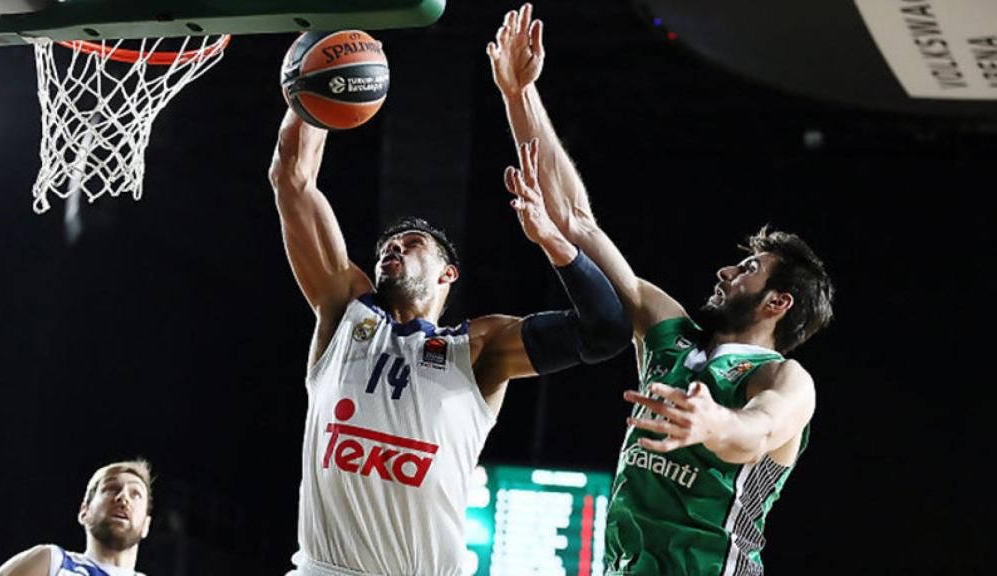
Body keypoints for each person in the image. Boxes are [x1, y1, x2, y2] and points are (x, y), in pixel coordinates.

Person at [488, 5, 836, 574]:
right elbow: (575, 218)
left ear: (779, 303)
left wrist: (713, 424)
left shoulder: (782, 379)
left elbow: (759, 430)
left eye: (748, 267)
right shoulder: (667, 330)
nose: (727, 273)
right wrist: (518, 94)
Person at [268, 108, 632, 575]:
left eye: (411, 241)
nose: (393, 248)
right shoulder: (344, 312)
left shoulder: (479, 348)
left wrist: (554, 243)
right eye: (387, 246)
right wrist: (313, 90)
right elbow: (291, 179)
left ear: (448, 274)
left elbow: (605, 331)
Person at [0, 460, 154, 576]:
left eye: (136, 494)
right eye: (111, 488)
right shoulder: (51, 562)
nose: (123, 497)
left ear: (146, 525)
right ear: (85, 511)